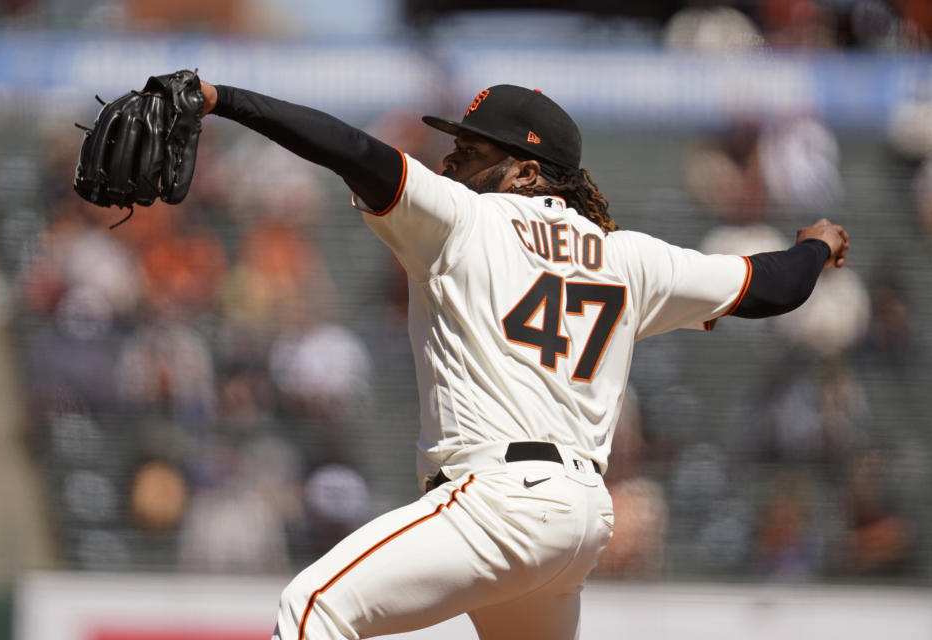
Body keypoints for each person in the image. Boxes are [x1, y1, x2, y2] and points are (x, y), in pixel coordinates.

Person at [194, 79, 849, 639]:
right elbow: (776, 286)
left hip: (500, 500)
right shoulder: (630, 259)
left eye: (468, 150)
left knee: (312, 608)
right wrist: (816, 246)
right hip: (579, 517)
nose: (448, 163)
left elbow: (355, 151)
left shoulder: (465, 220)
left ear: (527, 172)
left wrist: (221, 99)